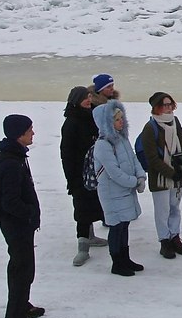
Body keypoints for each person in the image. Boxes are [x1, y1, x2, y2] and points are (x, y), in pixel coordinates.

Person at [0, 114, 44, 318]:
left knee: (26, 270)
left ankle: (22, 305)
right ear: (19, 134)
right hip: (17, 226)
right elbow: (10, 201)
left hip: (21, 226)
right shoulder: (10, 163)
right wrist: (30, 213)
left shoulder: (15, 156)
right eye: (30, 130)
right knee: (20, 272)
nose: (33, 133)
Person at [92, 100, 147, 276]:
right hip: (113, 194)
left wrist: (140, 176)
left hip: (125, 192)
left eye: (122, 118)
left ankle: (125, 258)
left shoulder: (121, 139)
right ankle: (117, 262)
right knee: (116, 227)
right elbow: (114, 172)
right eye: (116, 119)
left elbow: (134, 159)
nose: (121, 121)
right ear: (106, 122)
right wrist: (133, 182)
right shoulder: (103, 144)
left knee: (124, 225)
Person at [140, 91, 182, 260]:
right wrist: (172, 173)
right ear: (157, 108)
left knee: (174, 208)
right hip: (160, 178)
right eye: (165, 105)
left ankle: (175, 236)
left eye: (171, 104)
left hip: (178, 174)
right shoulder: (150, 128)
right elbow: (152, 158)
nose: (169, 108)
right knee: (162, 211)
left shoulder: (175, 122)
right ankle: (165, 240)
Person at [60, 85, 107, 266]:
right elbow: (66, 153)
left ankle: (91, 236)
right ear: (75, 101)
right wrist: (71, 179)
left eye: (89, 96)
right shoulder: (71, 123)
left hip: (96, 172)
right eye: (84, 98)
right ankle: (83, 248)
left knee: (95, 205)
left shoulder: (94, 117)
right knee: (81, 210)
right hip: (79, 174)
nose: (88, 100)